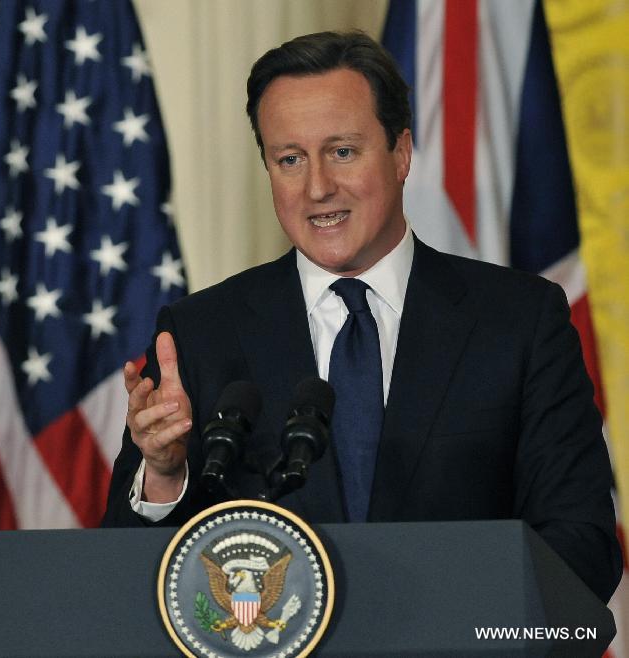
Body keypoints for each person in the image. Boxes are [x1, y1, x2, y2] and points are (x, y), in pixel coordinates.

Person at [101, 31, 621, 603]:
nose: (318, 187)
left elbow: (584, 547)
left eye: (342, 152)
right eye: (290, 159)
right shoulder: (200, 334)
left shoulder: (520, 321)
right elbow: (130, 583)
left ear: (401, 153)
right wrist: (166, 476)